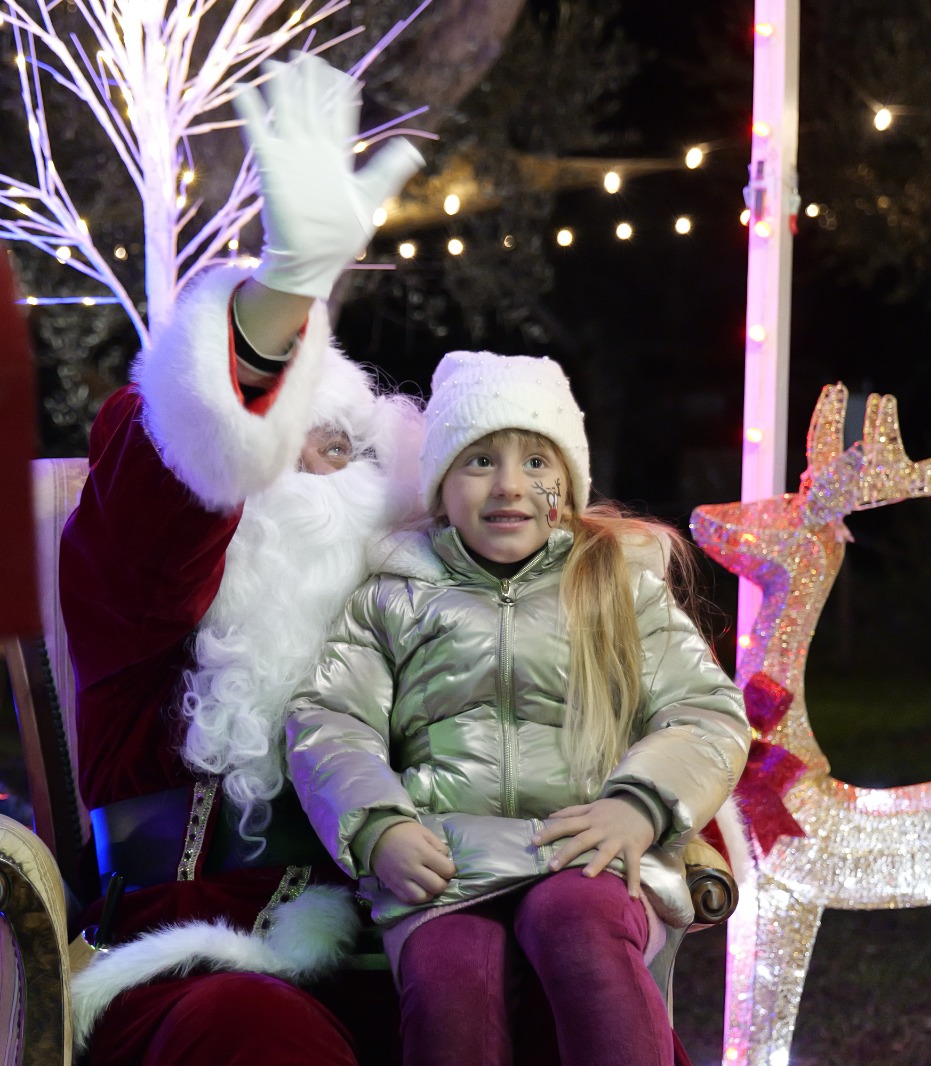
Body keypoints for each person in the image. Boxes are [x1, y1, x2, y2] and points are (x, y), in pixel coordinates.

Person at [57, 54, 425, 1064]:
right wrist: (285, 293)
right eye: (290, 442)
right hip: (212, 965)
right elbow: (172, 483)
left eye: (345, 448)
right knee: (246, 1032)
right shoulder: (144, 612)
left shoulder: (423, 602)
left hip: (427, 947)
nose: (320, 470)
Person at [286, 351, 751, 1066]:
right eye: (479, 461)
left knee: (577, 923)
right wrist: (378, 826)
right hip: (448, 864)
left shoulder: (616, 586)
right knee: (450, 982)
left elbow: (705, 712)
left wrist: (639, 806)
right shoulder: (394, 594)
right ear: (441, 483)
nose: (510, 486)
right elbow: (331, 721)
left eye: (537, 460)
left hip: (591, 851)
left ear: (566, 481)